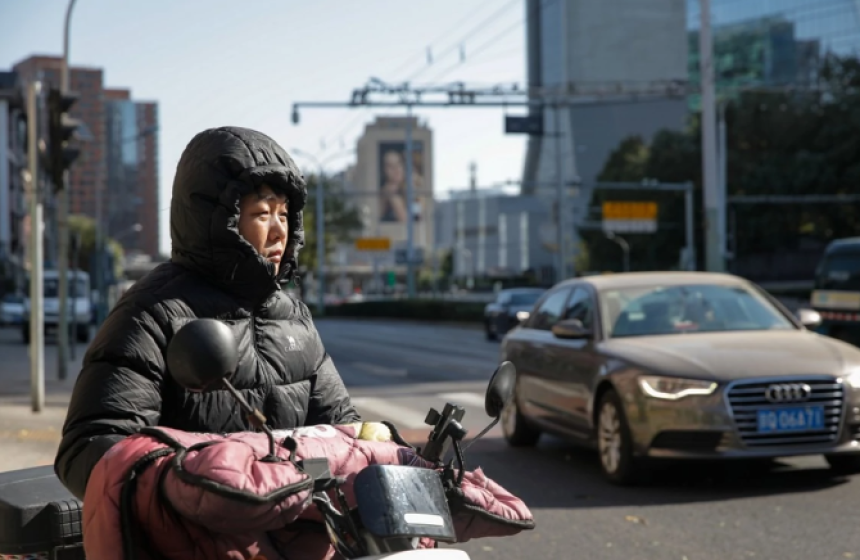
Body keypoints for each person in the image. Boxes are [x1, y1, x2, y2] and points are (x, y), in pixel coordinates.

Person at [55, 126, 359, 500]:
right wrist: (194, 486)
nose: (279, 230)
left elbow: (343, 430)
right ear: (216, 220)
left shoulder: (293, 317)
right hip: (193, 531)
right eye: (262, 213)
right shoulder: (152, 313)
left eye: (284, 214)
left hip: (295, 527)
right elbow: (90, 448)